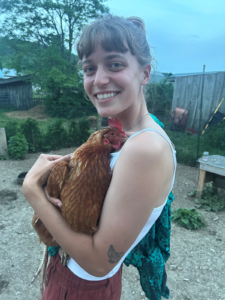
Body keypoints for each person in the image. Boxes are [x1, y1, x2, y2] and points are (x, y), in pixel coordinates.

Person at [22, 15, 176, 300]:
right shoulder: (130, 130)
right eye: (89, 68)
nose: (99, 79)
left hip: (81, 286)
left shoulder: (145, 148)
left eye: (115, 64)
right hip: (73, 274)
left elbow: (97, 262)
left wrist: (32, 191)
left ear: (145, 73)